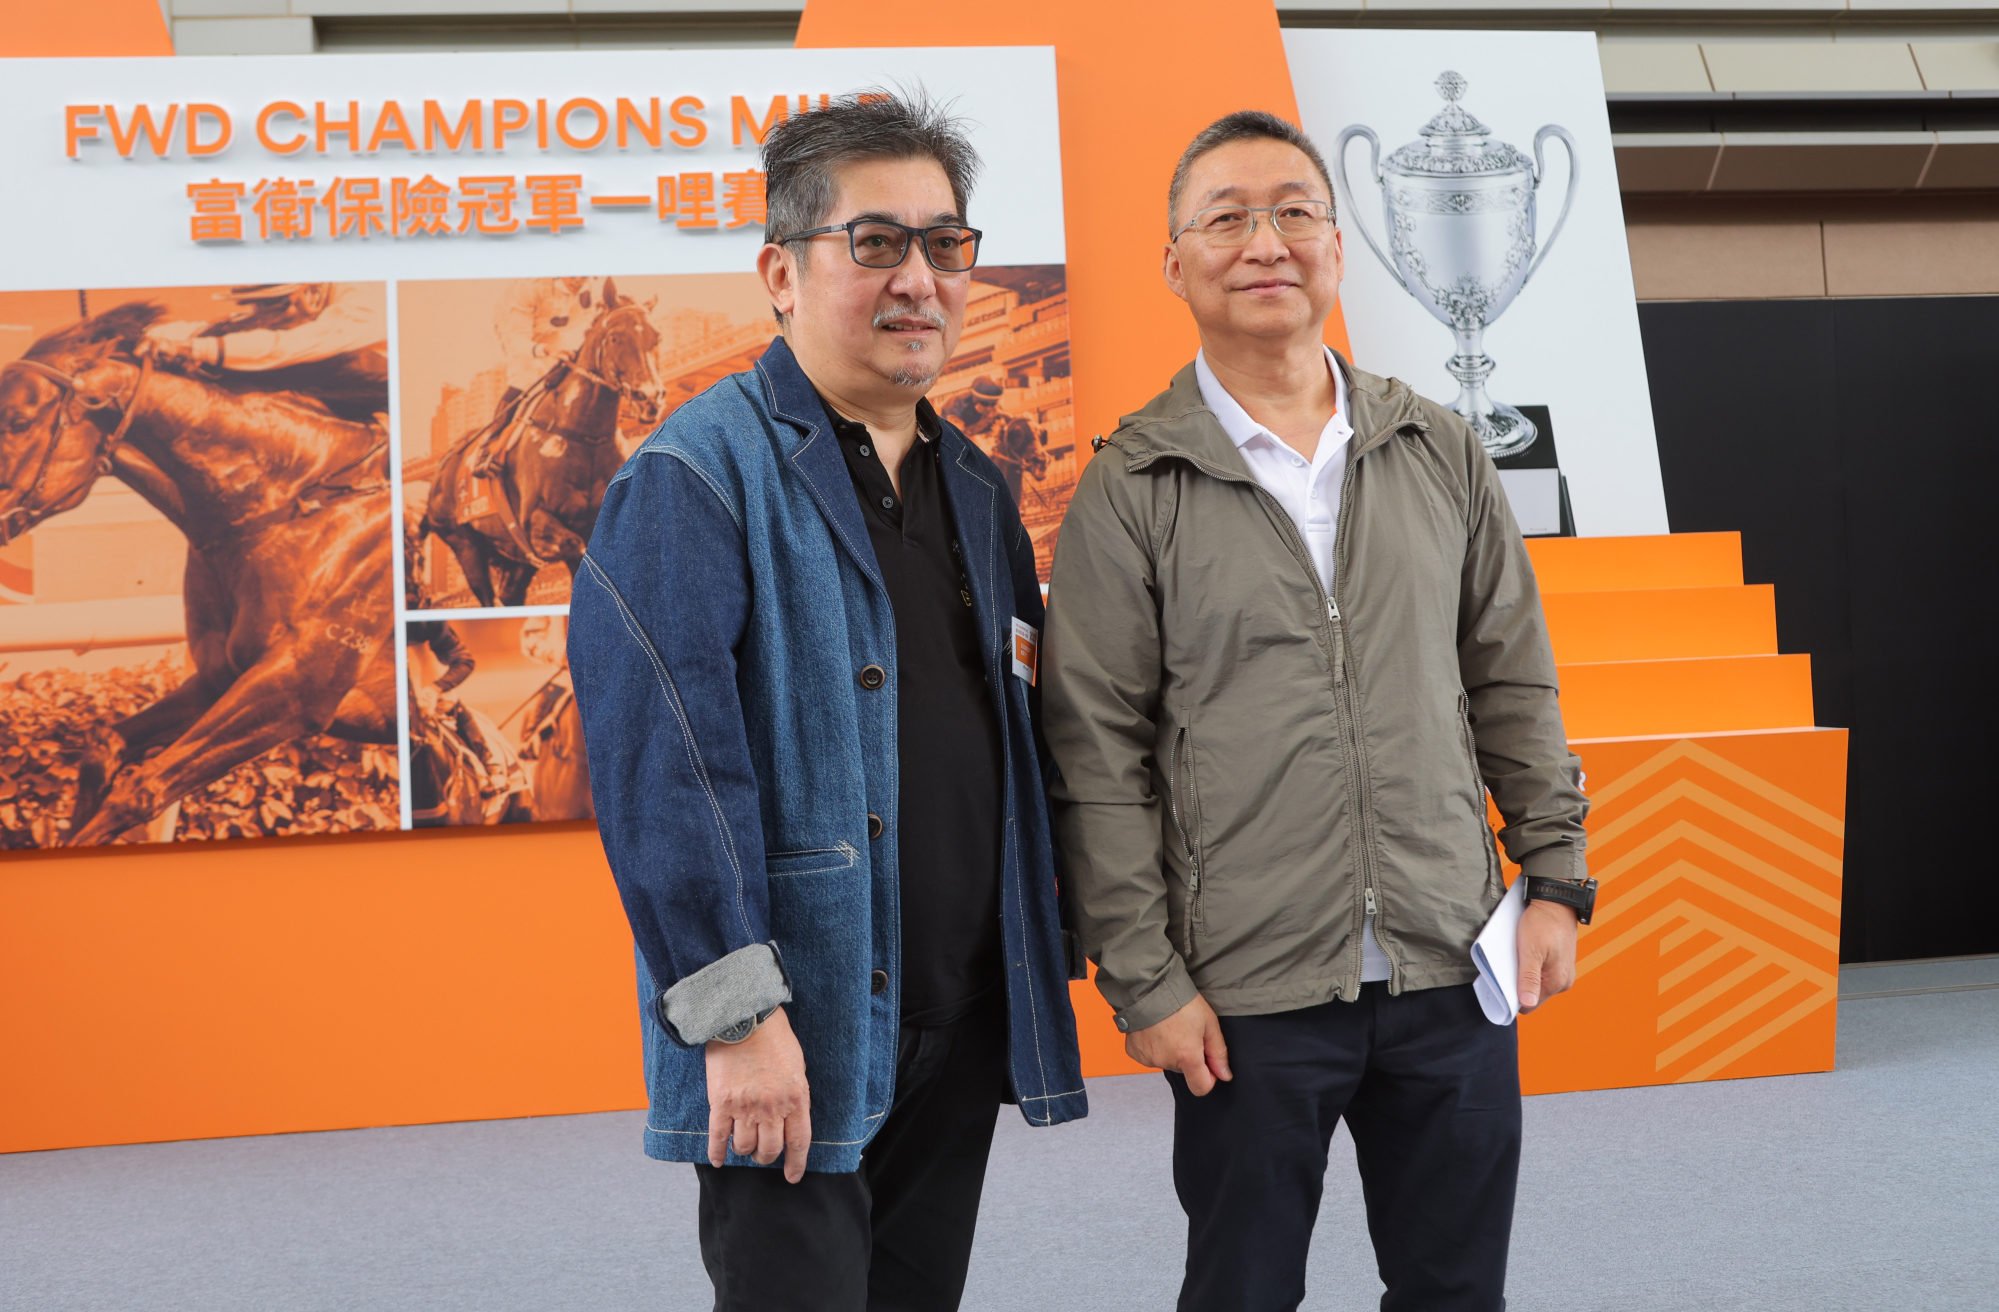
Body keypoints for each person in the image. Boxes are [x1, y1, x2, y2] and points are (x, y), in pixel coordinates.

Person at [1041, 110, 1595, 1312]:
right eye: (1226, 217)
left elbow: (1511, 678)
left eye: (1294, 210)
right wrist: (1143, 977)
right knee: (1241, 1292)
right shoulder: (1131, 485)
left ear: (1337, 246)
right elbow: (1095, 755)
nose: (1266, 241)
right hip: (1244, 993)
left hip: (1450, 962)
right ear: (1175, 261)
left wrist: (1553, 875)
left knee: (1455, 1290)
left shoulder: (1437, 448)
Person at [566, 91, 1086, 1312]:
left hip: (955, 1016)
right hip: (798, 1025)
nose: (919, 277)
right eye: (875, 242)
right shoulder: (694, 476)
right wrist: (738, 1020)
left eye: (944, 243)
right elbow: (665, 775)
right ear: (780, 273)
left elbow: (1021, 729)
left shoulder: (975, 485)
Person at [143, 283, 387, 425]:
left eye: (267, 305)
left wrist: (194, 348)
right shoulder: (306, 300)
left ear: (310, 295)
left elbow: (287, 345)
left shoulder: (365, 303)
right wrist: (155, 335)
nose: (258, 315)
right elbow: (237, 324)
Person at [944, 374, 1046, 505]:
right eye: (986, 404)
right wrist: (985, 421)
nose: (990, 408)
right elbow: (958, 437)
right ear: (975, 399)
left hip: (981, 436)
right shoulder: (956, 406)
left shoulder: (997, 410)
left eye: (994, 404)